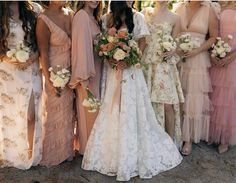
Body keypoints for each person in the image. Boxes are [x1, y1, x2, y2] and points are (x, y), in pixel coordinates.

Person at [82, 1, 182, 181]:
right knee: (113, 109)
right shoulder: (106, 18)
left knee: (130, 109)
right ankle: (113, 152)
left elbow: (143, 43)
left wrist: (130, 59)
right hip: (113, 72)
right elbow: (103, 44)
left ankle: (133, 151)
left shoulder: (138, 17)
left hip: (131, 72)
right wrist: (110, 57)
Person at [0, 1, 42, 169]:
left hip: (30, 68)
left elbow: (41, 42)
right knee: (9, 113)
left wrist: (32, 57)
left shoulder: (34, 9)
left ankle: (30, 152)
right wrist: (9, 58)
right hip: (8, 70)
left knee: (31, 114)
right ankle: (10, 153)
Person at [175, 1, 219, 155]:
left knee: (193, 97)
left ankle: (188, 138)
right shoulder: (179, 7)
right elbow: (173, 32)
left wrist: (198, 50)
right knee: (179, 95)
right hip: (179, 58)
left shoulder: (209, 9)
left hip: (198, 59)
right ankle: (176, 132)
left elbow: (213, 37)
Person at [36, 1, 74, 167]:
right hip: (55, 73)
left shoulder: (70, 14)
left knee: (68, 111)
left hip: (71, 72)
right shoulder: (43, 19)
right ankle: (54, 153)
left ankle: (66, 151)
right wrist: (49, 80)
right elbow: (43, 54)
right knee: (54, 112)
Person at [142, 0, 184, 149]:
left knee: (167, 103)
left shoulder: (175, 18)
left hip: (164, 65)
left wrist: (173, 50)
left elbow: (178, 43)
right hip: (147, 63)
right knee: (147, 103)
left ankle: (170, 142)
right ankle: (152, 140)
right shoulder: (145, 13)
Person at [69, 1, 103, 155]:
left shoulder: (95, 17)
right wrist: (84, 78)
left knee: (97, 113)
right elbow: (80, 48)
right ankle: (89, 152)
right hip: (87, 74)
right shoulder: (82, 16)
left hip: (98, 69)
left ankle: (95, 150)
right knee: (90, 112)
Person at [209, 1, 236, 154]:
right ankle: (214, 132)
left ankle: (225, 137)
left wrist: (231, 57)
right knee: (216, 96)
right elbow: (214, 31)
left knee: (229, 99)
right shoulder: (220, 6)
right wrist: (215, 53)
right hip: (218, 54)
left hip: (233, 59)